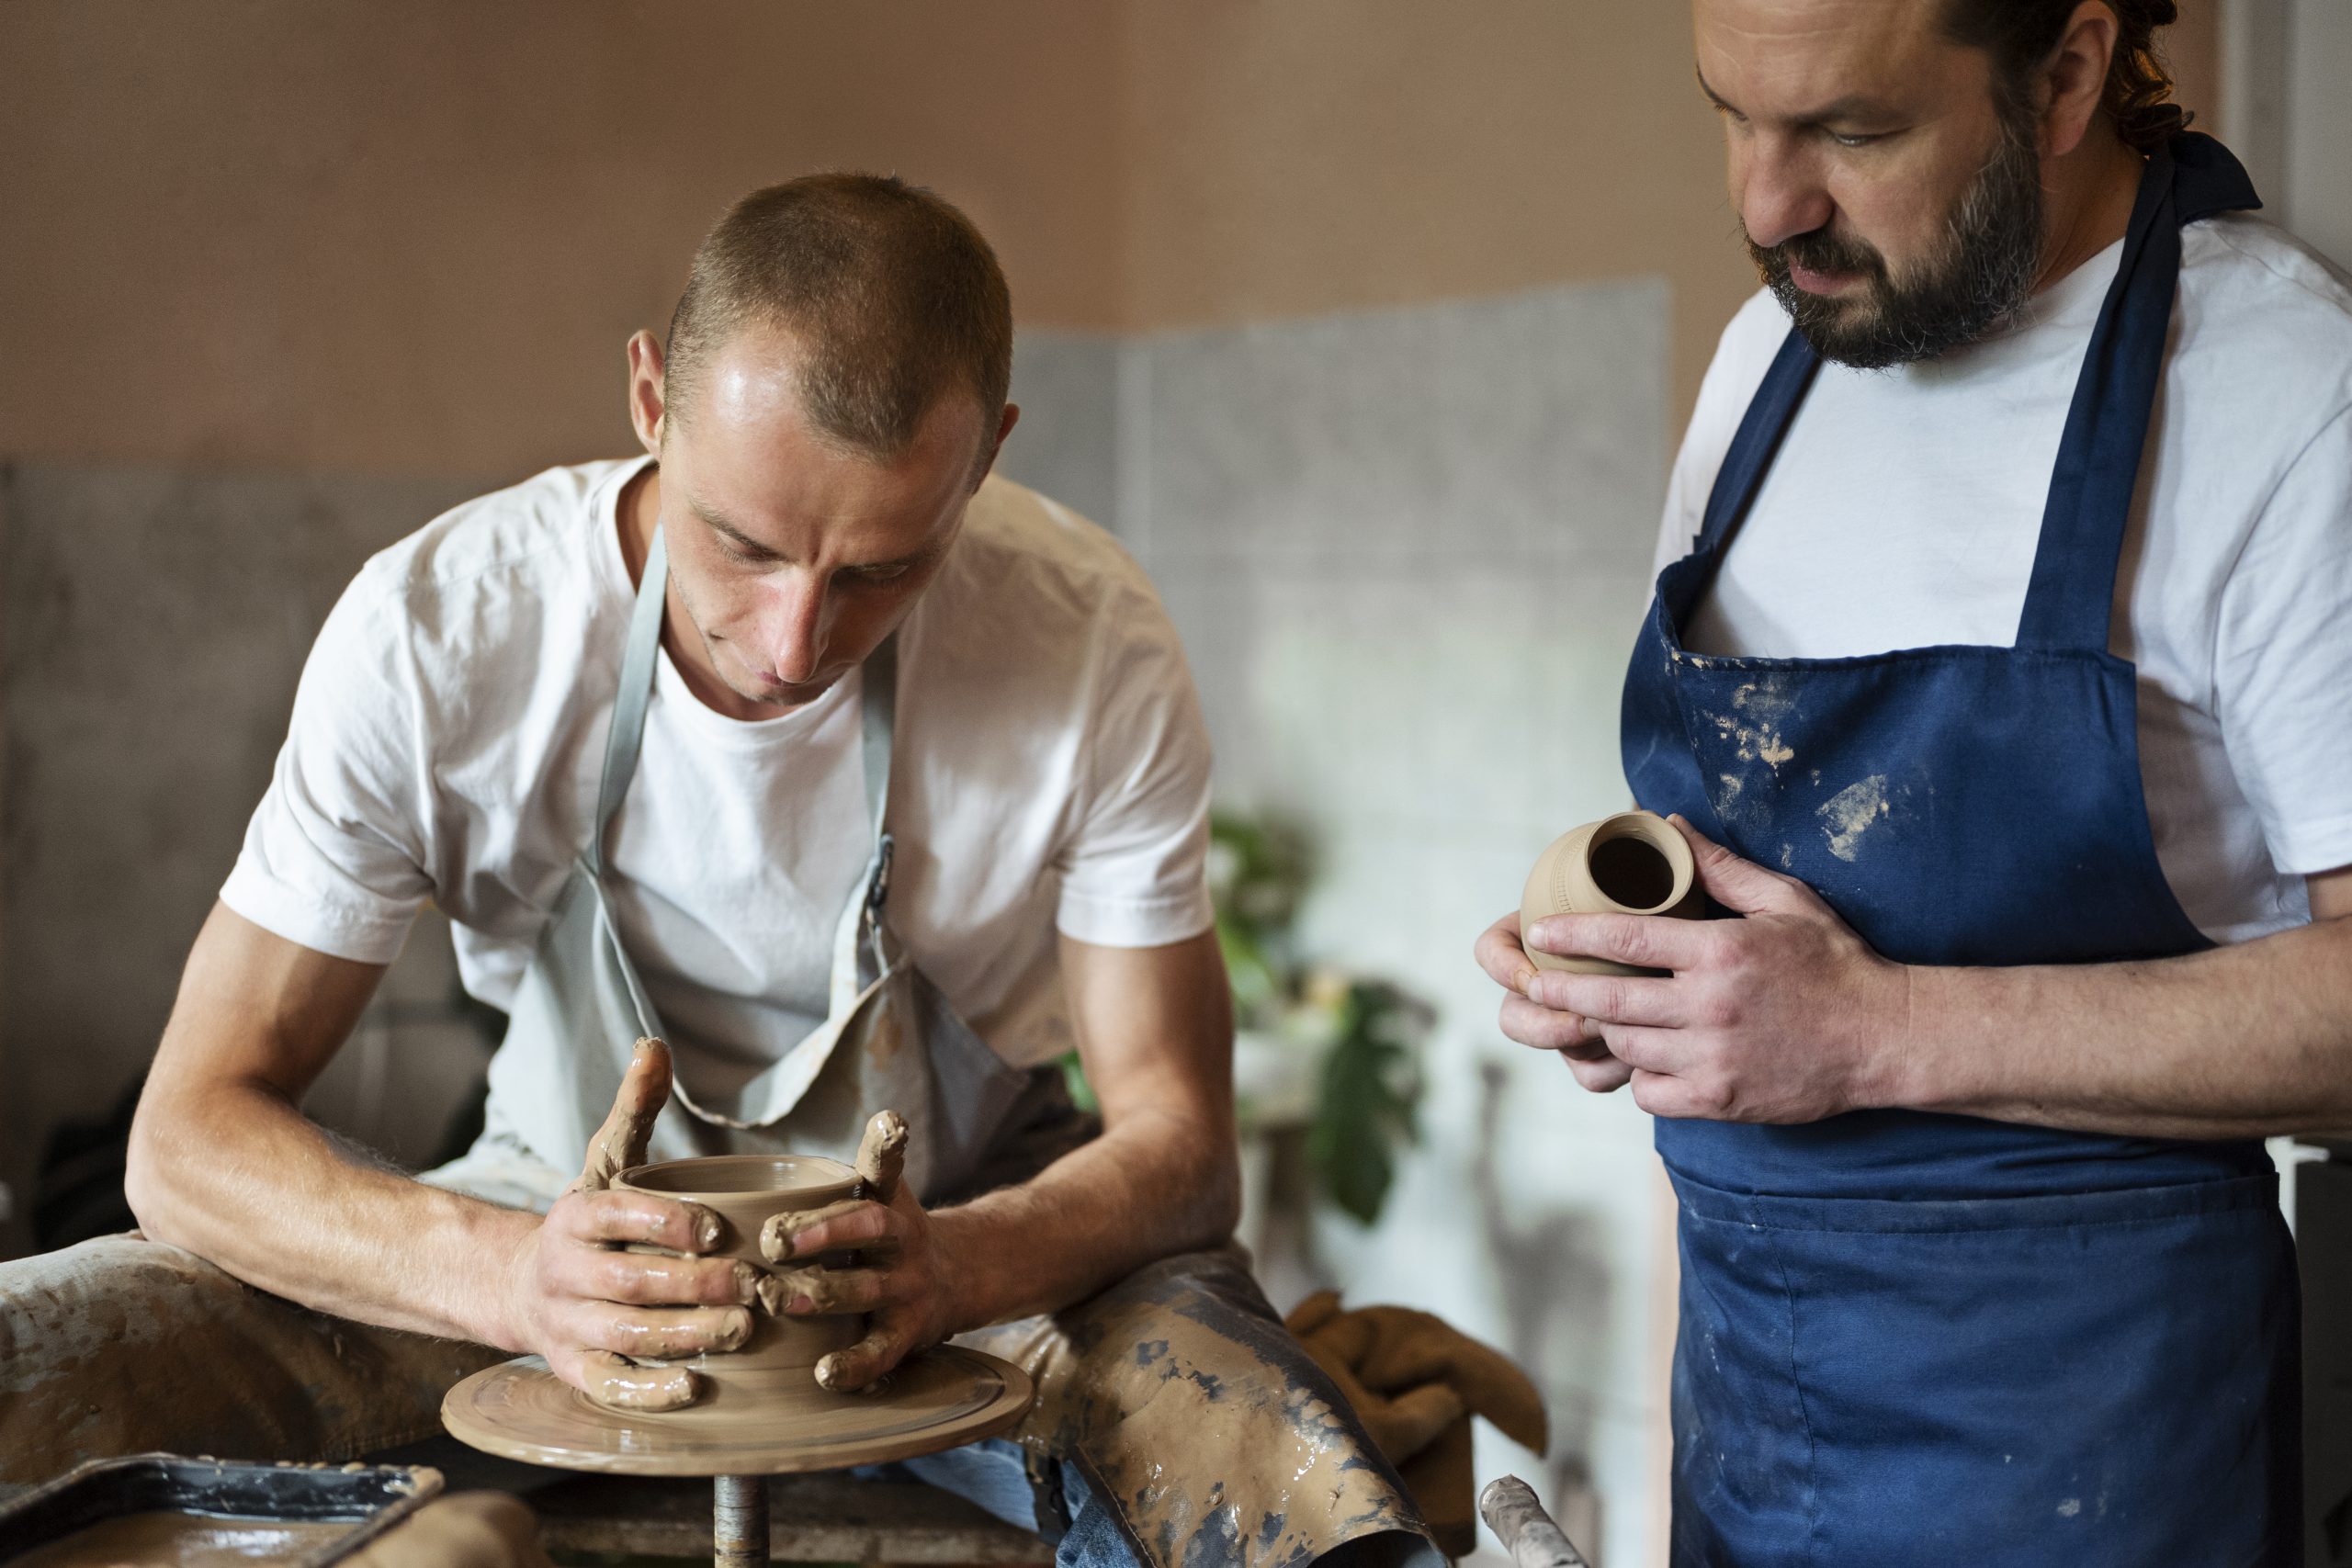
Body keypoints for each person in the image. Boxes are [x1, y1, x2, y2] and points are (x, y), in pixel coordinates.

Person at [0, 175, 1444, 1568]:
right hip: (545, 1223)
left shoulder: (1087, 639)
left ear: (984, 458)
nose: (794, 642)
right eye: (742, 546)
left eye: (882, 569)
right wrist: (507, 1275)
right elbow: (184, 1142)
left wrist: (961, 1266)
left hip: (952, 1259)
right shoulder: (442, 633)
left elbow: (1182, 1147)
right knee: (42, 1359)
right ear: (649, 403)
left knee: (1273, 1464)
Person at [1476, 1, 2352, 1562]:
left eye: (1853, 134)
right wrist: (1634, 965)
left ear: (2069, 71)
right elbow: (1765, 898)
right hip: (1748, 1426)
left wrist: (1876, 1032)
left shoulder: (2284, 390)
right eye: (1734, 117)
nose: (1764, 204)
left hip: (2090, 1453)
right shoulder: (1774, 360)